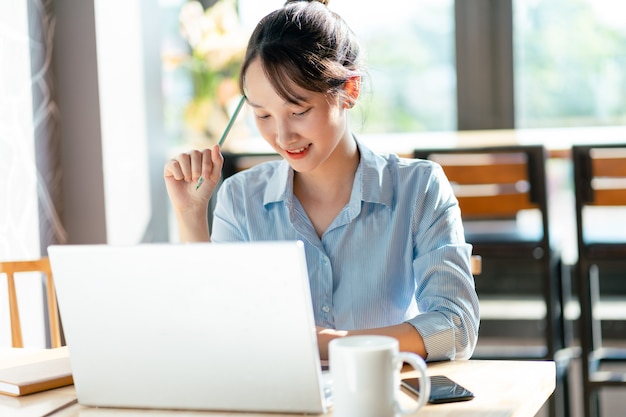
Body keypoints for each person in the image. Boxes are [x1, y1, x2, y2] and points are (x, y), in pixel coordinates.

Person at [164, 0, 479, 361]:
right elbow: (214, 331)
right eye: (263, 115)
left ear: (350, 91)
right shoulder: (240, 198)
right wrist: (190, 215)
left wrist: (330, 343)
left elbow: (456, 328)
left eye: (299, 111)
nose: (283, 136)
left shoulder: (418, 188)